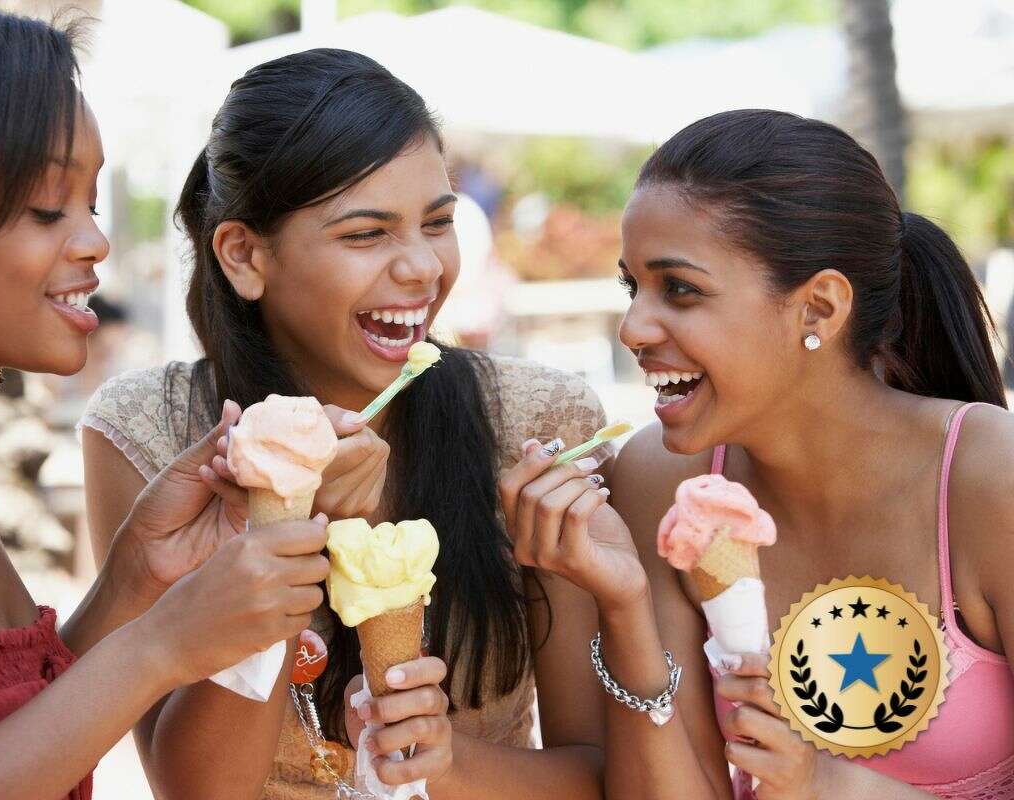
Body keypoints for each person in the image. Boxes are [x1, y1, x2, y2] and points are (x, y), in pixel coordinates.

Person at [0, 3, 328, 797]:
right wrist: (158, 646)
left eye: (91, 203)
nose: (94, 241)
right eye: (48, 207)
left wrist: (134, 579)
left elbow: (9, 740)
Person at [82, 47, 610, 800]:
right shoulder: (150, 434)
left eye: (438, 223)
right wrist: (285, 524)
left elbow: (599, 776)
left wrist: (449, 761)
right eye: (367, 235)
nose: (423, 268)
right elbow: (195, 791)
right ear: (242, 255)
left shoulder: (533, 424)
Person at [501, 109, 1014, 799]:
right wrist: (621, 604)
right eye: (633, 287)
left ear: (820, 309)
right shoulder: (664, 478)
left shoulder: (989, 476)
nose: (633, 327)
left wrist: (828, 785)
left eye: (678, 288)